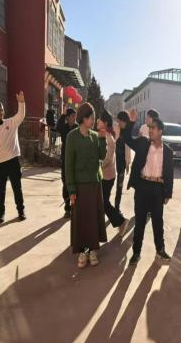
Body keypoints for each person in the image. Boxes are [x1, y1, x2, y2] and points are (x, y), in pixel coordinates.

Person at [123, 109, 174, 266]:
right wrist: (131, 122)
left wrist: (167, 194)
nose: (150, 130)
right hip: (143, 186)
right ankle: (136, 253)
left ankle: (160, 250)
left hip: (158, 189)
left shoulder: (168, 151)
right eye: (149, 128)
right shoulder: (143, 143)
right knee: (139, 222)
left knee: (158, 222)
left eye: (153, 128)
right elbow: (126, 138)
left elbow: (169, 173)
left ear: (160, 131)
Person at [65, 103, 108, 269]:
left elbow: (102, 156)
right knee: (81, 220)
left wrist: (103, 139)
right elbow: (68, 165)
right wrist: (71, 189)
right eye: (92, 117)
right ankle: (83, 251)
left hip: (95, 184)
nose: (94, 121)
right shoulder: (72, 137)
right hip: (80, 186)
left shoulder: (95, 136)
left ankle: (92, 251)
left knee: (93, 219)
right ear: (83, 118)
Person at [0, 91, 27, 224]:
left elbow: (20, 115)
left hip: (13, 161)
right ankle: (1, 214)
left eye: (1, 110)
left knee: (17, 188)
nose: (0, 112)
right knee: (0, 190)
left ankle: (21, 211)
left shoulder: (11, 123)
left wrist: (21, 103)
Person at [98, 110, 129, 237]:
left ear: (105, 122)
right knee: (102, 202)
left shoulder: (108, 138)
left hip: (107, 176)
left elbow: (107, 159)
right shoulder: (103, 135)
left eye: (99, 119)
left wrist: (95, 166)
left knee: (104, 203)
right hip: (105, 175)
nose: (97, 121)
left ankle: (121, 221)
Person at [57, 108, 77, 219]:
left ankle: (75, 207)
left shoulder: (77, 128)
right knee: (65, 183)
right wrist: (62, 115)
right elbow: (57, 127)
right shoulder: (63, 127)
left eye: (75, 116)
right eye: (72, 116)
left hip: (75, 160)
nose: (74, 118)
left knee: (75, 183)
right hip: (65, 159)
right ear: (68, 117)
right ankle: (67, 208)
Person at [115, 111, 132, 212]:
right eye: (118, 120)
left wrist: (128, 163)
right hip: (113, 162)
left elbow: (128, 150)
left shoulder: (128, 132)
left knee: (119, 186)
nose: (119, 122)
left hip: (122, 163)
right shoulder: (116, 129)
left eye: (121, 121)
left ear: (125, 121)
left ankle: (117, 207)